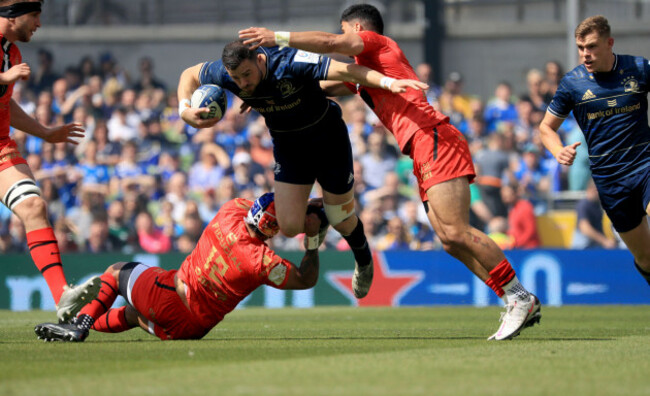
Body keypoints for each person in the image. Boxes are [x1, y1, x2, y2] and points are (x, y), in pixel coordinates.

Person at [239, 3, 541, 341]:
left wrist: (277, 38)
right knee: (448, 241)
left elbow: (329, 44)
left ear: (356, 29)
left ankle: (520, 296)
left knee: (456, 231)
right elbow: (322, 86)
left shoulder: (380, 45)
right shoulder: (370, 70)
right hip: (420, 148)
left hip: (432, 136)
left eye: (344, 30)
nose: (342, 37)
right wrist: (267, 92)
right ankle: (511, 297)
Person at [177, 39, 427, 299]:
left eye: (246, 75)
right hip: (289, 149)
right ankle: (318, 219)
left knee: (342, 219)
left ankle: (363, 259)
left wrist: (389, 82)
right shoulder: (229, 73)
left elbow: (347, 71)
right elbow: (189, 74)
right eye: (235, 79)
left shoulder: (288, 61)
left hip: (328, 139)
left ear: (260, 60)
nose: (242, 84)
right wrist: (185, 111)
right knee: (290, 226)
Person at [34, 193, 325, 342]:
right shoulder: (263, 262)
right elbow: (305, 279)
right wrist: (312, 240)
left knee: (116, 271)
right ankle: (79, 319)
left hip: (171, 297)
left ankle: (79, 326)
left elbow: (263, 206)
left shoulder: (230, 210)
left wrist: (301, 201)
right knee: (134, 315)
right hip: (192, 329)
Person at [0, 0, 100, 322]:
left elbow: (6, 105)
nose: (39, 23)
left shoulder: (12, 54)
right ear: (13, 15)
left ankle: (63, 297)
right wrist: (4, 78)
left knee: (33, 207)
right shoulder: (10, 63)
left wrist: (44, 132)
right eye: (35, 16)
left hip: (1, 148)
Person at [539, 15, 650, 284]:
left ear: (609, 43)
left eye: (591, 46)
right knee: (645, 257)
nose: (585, 54)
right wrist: (557, 151)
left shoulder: (639, 67)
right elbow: (545, 128)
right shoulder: (572, 83)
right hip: (610, 181)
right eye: (580, 47)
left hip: (645, 165)